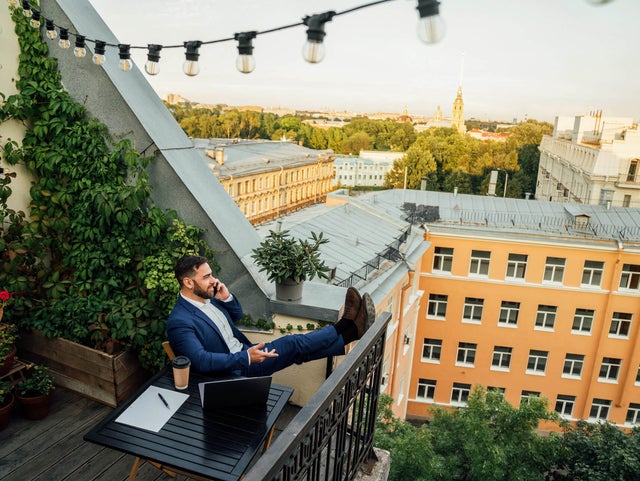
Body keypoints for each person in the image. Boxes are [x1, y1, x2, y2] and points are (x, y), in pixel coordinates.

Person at [167, 255, 376, 376]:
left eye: (211, 274)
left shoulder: (208, 297)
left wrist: (226, 297)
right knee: (293, 345)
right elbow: (202, 361)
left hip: (245, 353)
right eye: (206, 277)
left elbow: (236, 315)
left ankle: (351, 330)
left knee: (297, 351)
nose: (213, 279)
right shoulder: (180, 322)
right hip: (237, 370)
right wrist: (246, 357)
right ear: (188, 282)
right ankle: (347, 327)